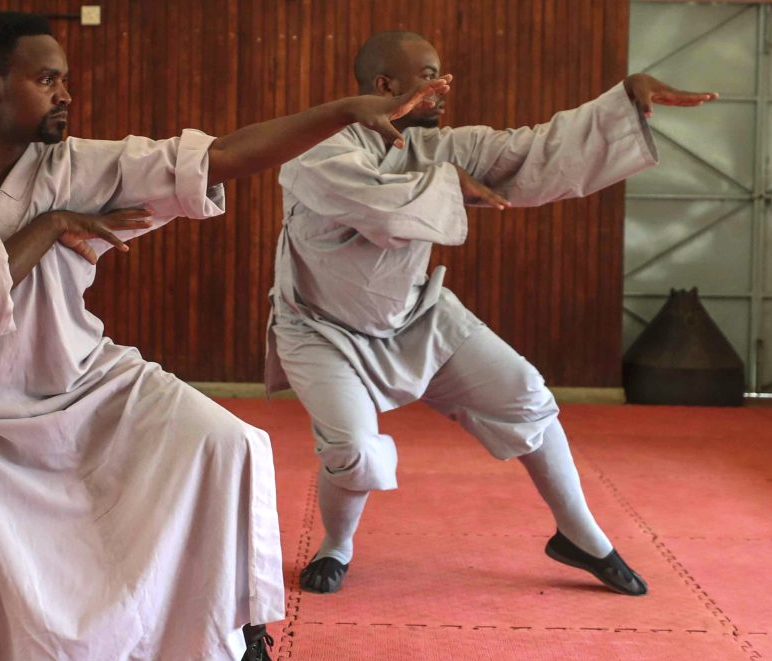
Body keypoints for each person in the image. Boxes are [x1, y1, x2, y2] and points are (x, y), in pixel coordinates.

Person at [0, 14, 449, 661]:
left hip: (83, 388)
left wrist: (343, 112)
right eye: (47, 79)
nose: (66, 95)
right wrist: (51, 223)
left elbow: (220, 155)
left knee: (230, 444)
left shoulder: (78, 162)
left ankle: (243, 639)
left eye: (66, 80)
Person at [265, 30, 716, 596]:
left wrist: (621, 100)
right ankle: (337, 545)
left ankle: (581, 536)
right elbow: (380, 207)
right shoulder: (320, 152)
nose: (443, 85)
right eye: (429, 75)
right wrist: (450, 183)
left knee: (526, 394)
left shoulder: (439, 147)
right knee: (352, 449)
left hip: (414, 317)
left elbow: (531, 150)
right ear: (385, 85)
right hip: (320, 329)